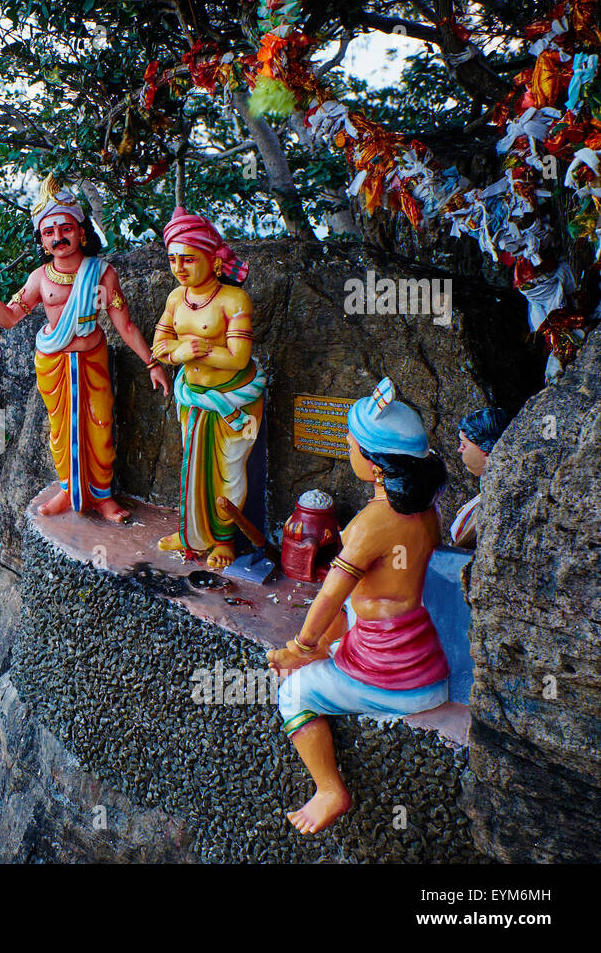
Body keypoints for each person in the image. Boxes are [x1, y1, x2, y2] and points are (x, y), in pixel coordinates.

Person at [267, 378, 450, 835]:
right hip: (420, 657)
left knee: (292, 693)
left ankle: (330, 788)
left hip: (391, 677)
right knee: (336, 636)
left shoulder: (373, 523)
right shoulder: (427, 513)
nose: (347, 450)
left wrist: (301, 644)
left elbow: (331, 592)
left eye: (351, 445)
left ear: (375, 465)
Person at [0, 173, 171, 523]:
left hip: (93, 358)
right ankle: (69, 491)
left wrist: (152, 363)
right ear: (42, 240)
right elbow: (10, 318)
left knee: (100, 425)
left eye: (65, 229)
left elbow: (125, 325)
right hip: (54, 362)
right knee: (62, 431)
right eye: (49, 232)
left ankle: (103, 497)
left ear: (82, 232)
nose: (59, 237)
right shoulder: (40, 278)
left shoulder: (102, 273)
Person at [153, 207, 266, 569]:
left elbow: (238, 357)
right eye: (172, 259)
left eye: (188, 258)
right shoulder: (176, 298)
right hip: (193, 398)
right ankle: (190, 533)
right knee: (192, 467)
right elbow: (160, 345)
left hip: (233, 401)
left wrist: (194, 351)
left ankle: (224, 539)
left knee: (229, 472)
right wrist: (181, 351)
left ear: (214, 260)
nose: (179, 267)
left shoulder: (234, 300)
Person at [450, 407, 510, 548]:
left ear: (486, 452)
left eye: (464, 445)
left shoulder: (495, 502)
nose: (459, 450)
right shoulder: (490, 491)